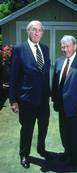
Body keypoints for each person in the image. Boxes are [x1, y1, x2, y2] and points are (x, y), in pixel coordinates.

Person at [9, 20, 51, 169]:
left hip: (44, 100)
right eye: (33, 30)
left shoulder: (45, 49)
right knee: (27, 129)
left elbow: (45, 74)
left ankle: (41, 149)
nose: (36, 33)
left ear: (42, 33)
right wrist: (13, 100)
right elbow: (14, 76)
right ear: (28, 31)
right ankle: (24, 154)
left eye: (39, 30)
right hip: (26, 100)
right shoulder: (20, 49)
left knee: (44, 126)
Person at [52, 35, 77, 166]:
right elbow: (55, 82)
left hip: (76, 107)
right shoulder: (59, 61)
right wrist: (54, 100)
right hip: (61, 106)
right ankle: (67, 151)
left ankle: (75, 156)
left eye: (67, 46)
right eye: (63, 47)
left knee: (75, 133)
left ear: (75, 46)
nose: (65, 49)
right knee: (64, 131)